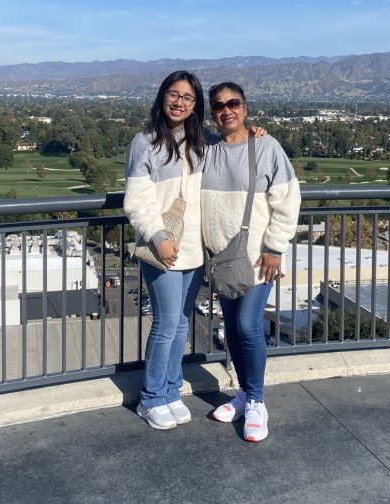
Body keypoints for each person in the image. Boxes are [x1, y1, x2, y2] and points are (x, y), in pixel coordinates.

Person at [201, 82, 301, 442]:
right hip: (221, 261)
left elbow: (288, 200)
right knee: (231, 327)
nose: (226, 110)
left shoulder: (267, 147)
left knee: (247, 325)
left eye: (234, 103)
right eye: (218, 106)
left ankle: (257, 401)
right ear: (211, 113)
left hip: (259, 257)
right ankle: (243, 394)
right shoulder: (205, 151)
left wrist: (275, 247)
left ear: (245, 106)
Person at [124, 70, 207, 430]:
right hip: (163, 247)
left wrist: (255, 134)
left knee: (182, 322)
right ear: (162, 97)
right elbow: (137, 200)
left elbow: (237, 151)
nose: (179, 102)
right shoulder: (145, 142)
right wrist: (158, 236)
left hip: (194, 248)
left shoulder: (202, 144)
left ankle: (172, 389)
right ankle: (152, 396)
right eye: (174, 95)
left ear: (195, 105)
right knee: (167, 323)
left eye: (187, 98)